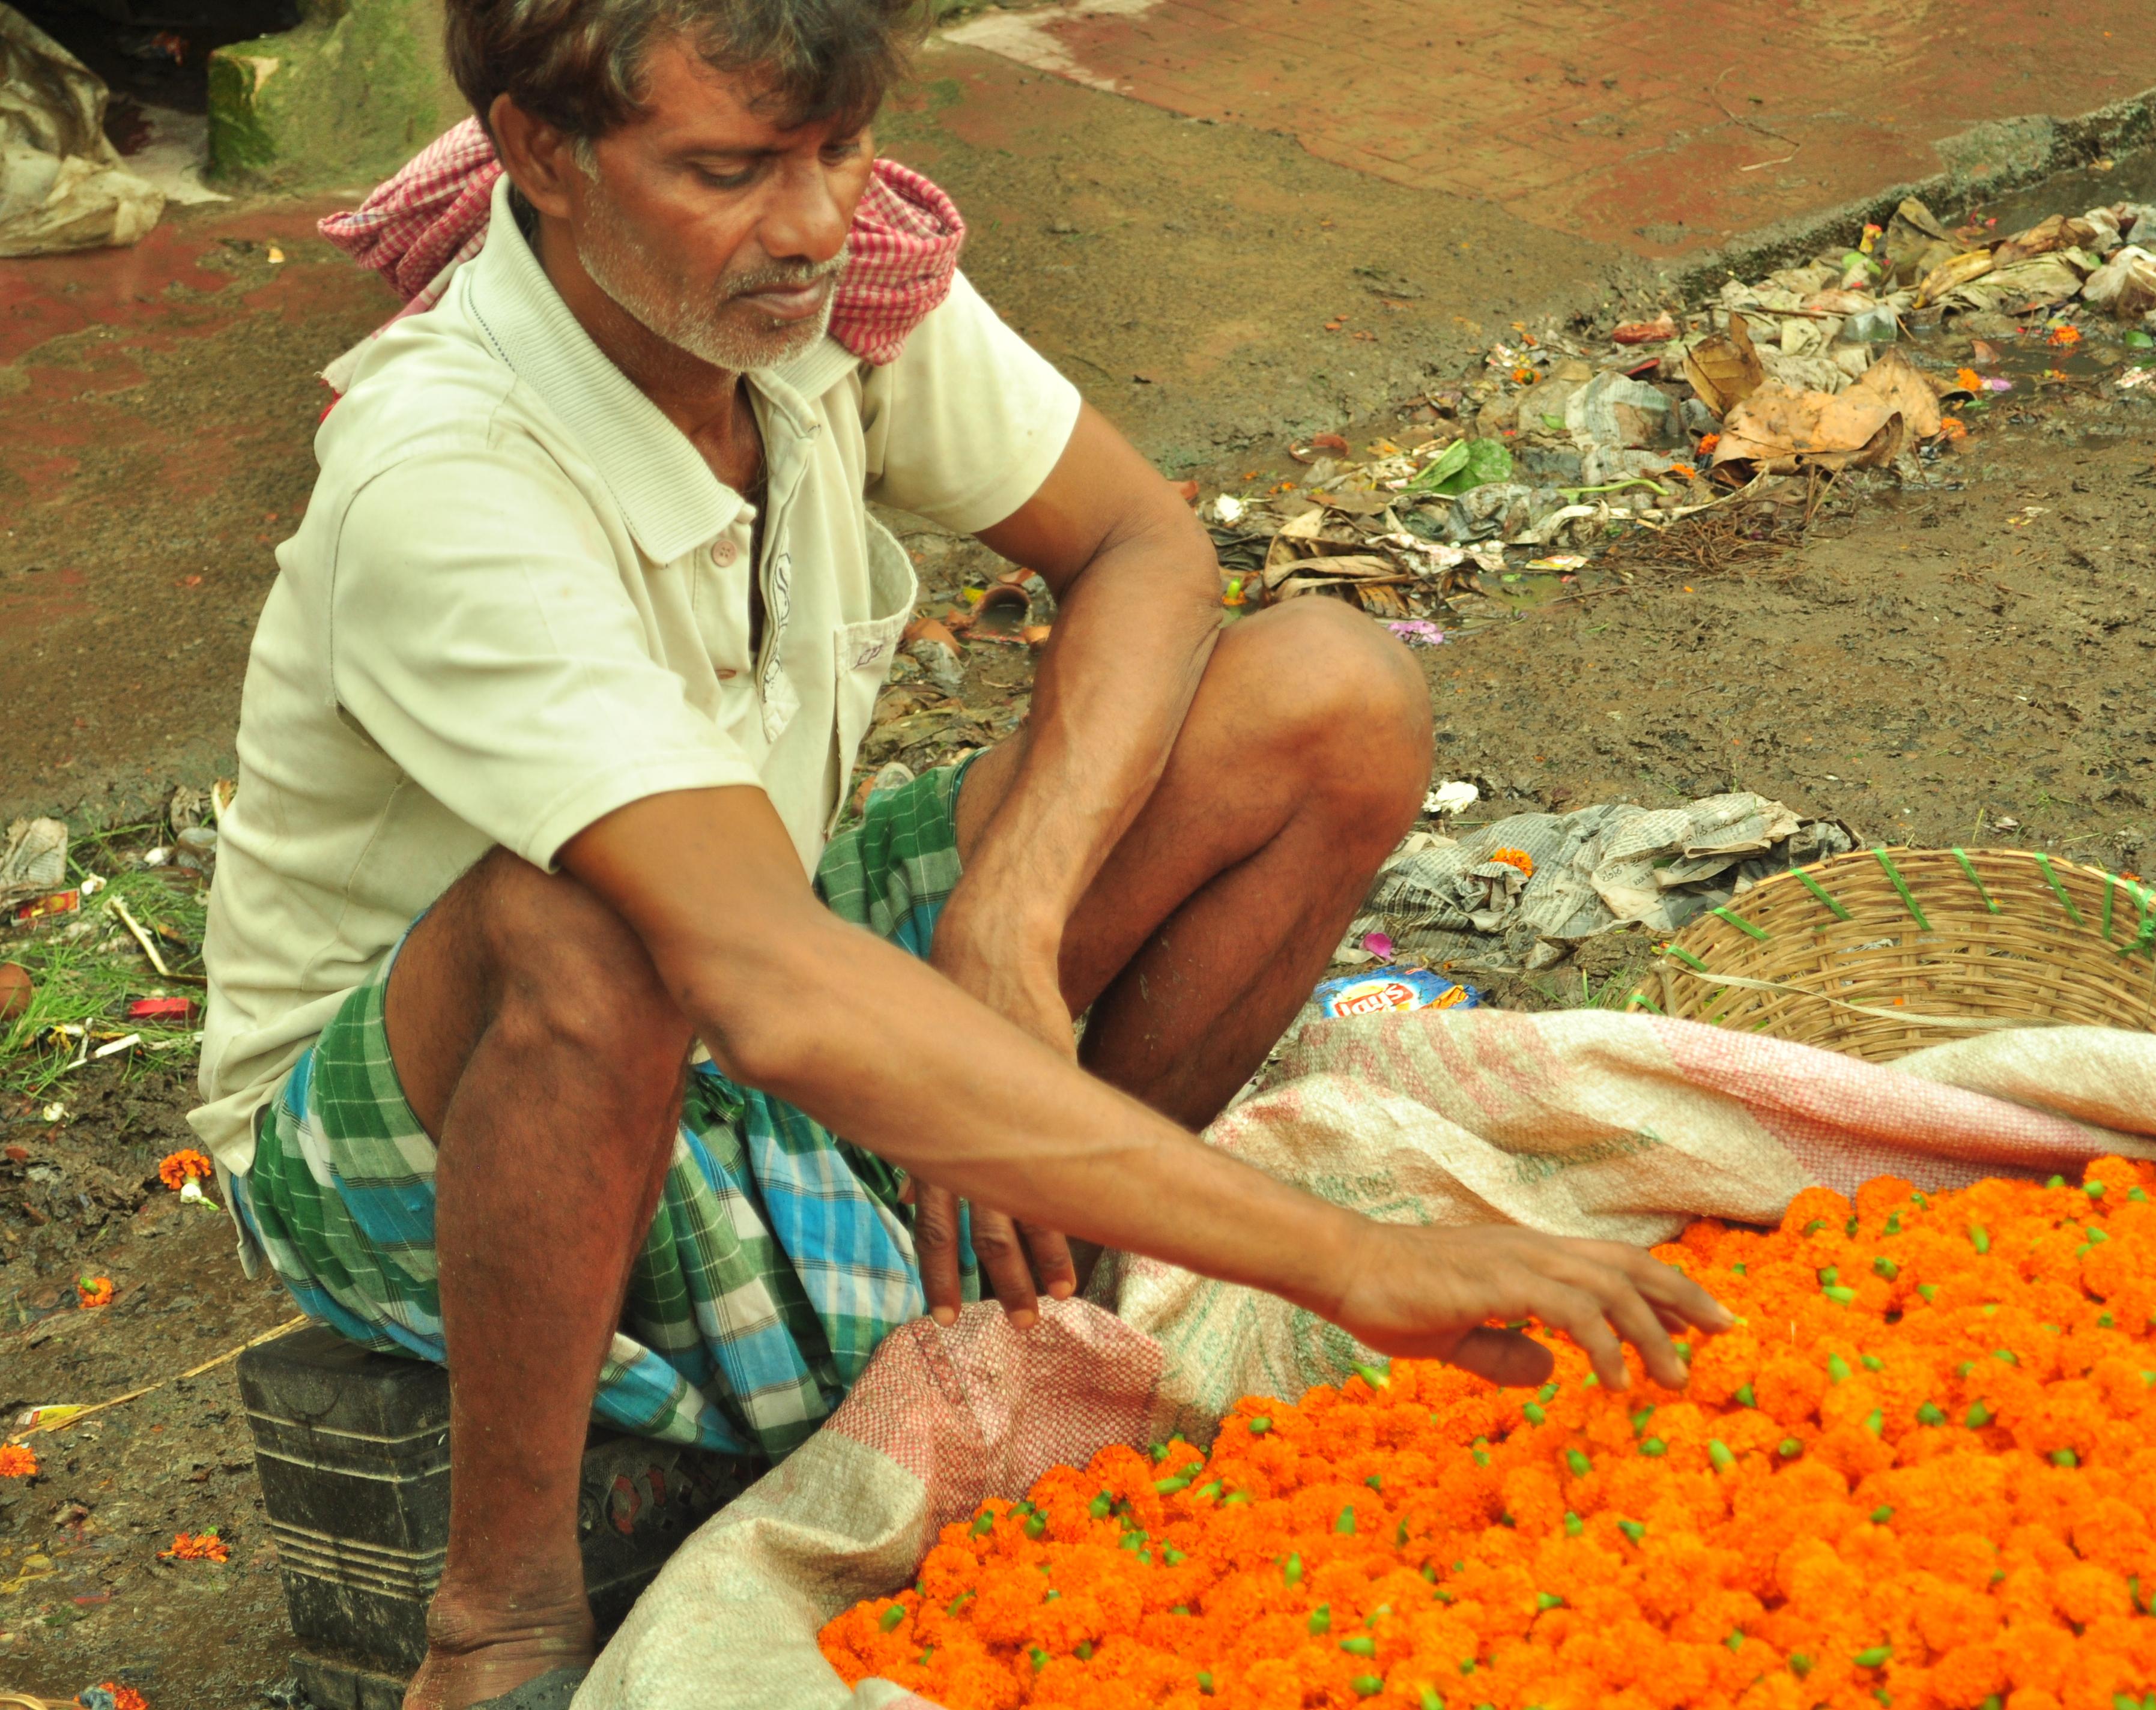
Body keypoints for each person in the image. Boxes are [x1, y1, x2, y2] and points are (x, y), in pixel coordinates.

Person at [186, 0, 1728, 1703]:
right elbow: (758, 979)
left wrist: (1010, 920)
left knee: (1331, 697)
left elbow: (1143, 545)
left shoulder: (827, 290)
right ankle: (504, 1618)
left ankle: (1038, 1311)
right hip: (418, 1118)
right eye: (729, 169)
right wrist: (1360, 1265)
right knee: (598, 919)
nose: (815, 222)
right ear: (543, 157)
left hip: (751, 958)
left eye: (839, 151)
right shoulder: (446, 474)